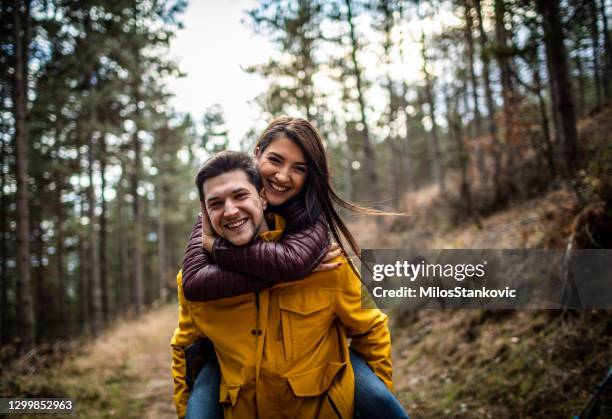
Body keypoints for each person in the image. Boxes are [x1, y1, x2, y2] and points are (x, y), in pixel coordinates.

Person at [180, 117, 409, 418]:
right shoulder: (219, 214)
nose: (283, 176)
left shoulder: (320, 247)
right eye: (275, 160)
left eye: (299, 168)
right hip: (238, 390)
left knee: (383, 405)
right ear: (256, 154)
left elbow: (371, 326)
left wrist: (376, 393)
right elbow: (186, 331)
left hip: (319, 388)